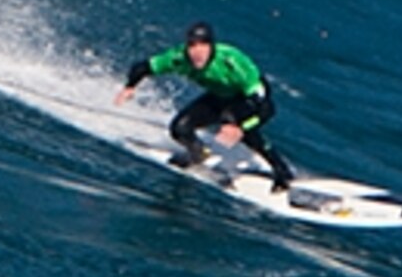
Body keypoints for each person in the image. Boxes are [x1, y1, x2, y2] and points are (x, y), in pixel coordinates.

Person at [113, 21, 295, 187]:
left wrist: (241, 127)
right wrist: (130, 87)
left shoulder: (231, 62)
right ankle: (198, 154)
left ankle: (282, 171)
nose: (197, 52)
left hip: (248, 99)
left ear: (211, 46)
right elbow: (143, 67)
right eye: (192, 45)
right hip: (220, 96)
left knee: (238, 125)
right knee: (180, 128)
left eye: (203, 45)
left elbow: (266, 107)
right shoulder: (179, 57)